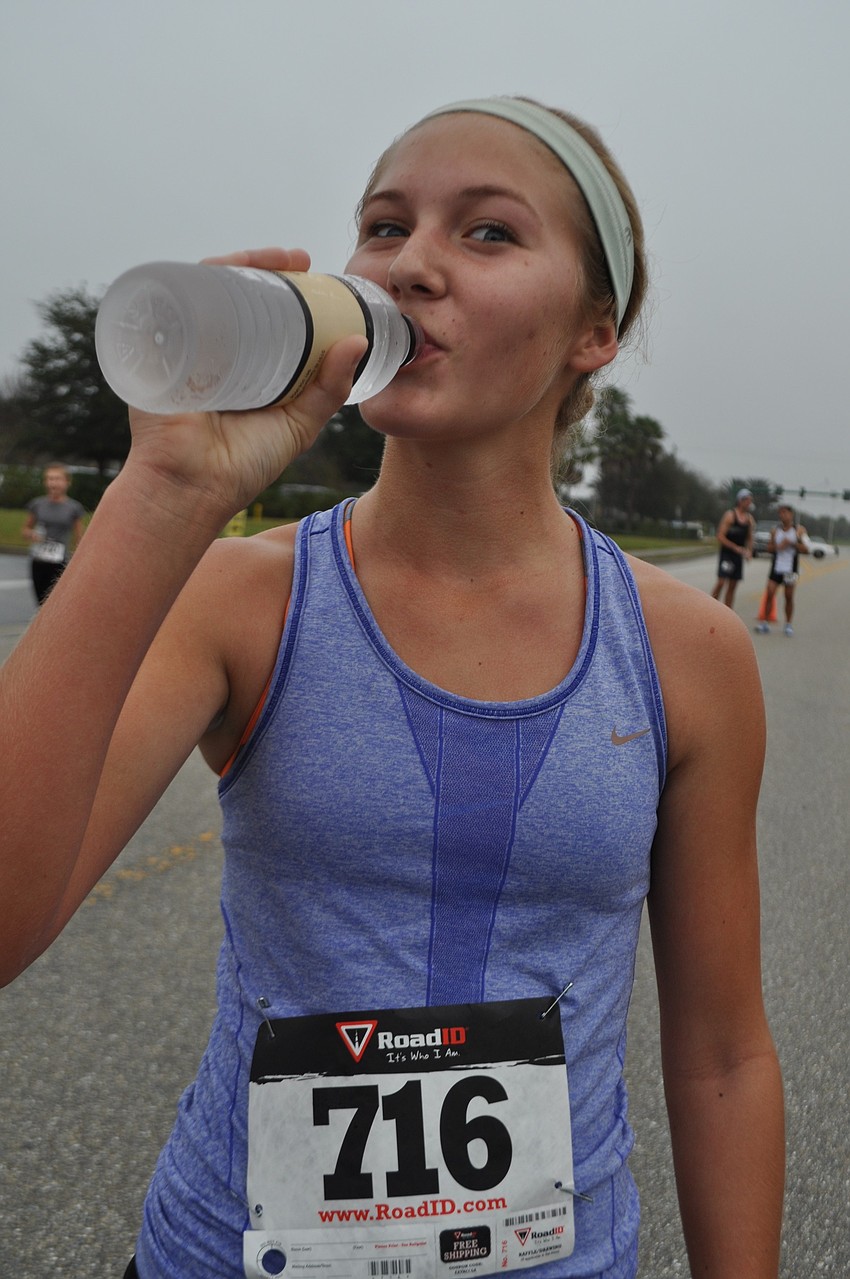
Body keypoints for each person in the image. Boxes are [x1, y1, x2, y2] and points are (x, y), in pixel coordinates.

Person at [0, 97, 784, 1278]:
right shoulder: (241, 600)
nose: (411, 262)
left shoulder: (686, 653)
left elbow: (724, 1054)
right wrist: (163, 491)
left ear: (592, 330)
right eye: (383, 224)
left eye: (486, 234)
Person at [21, 462, 85, 604]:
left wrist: (78, 560)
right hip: (38, 559)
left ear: (67, 482)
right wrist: (31, 534)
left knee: (54, 602)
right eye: (50, 479)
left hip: (59, 562)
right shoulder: (37, 504)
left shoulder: (74, 508)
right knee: (40, 602)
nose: (53, 483)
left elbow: (80, 537)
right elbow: (25, 529)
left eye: (57, 479)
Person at [756, 503, 809, 636]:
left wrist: (792, 543)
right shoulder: (775, 530)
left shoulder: (799, 530)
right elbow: (769, 548)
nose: (782, 515)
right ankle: (765, 623)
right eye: (780, 513)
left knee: (789, 596)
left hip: (791, 569)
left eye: (785, 512)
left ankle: (788, 624)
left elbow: (806, 550)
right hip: (776, 567)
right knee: (769, 593)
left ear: (791, 515)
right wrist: (778, 546)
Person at [710, 487, 755, 608]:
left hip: (738, 556)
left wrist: (749, 552)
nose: (749, 503)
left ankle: (728, 612)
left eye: (750, 501)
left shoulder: (749, 519)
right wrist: (734, 547)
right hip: (727, 554)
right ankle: (710, 606)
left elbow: (750, 538)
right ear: (740, 501)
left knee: (733, 585)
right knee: (721, 582)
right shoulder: (730, 516)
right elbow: (720, 535)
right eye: (747, 500)